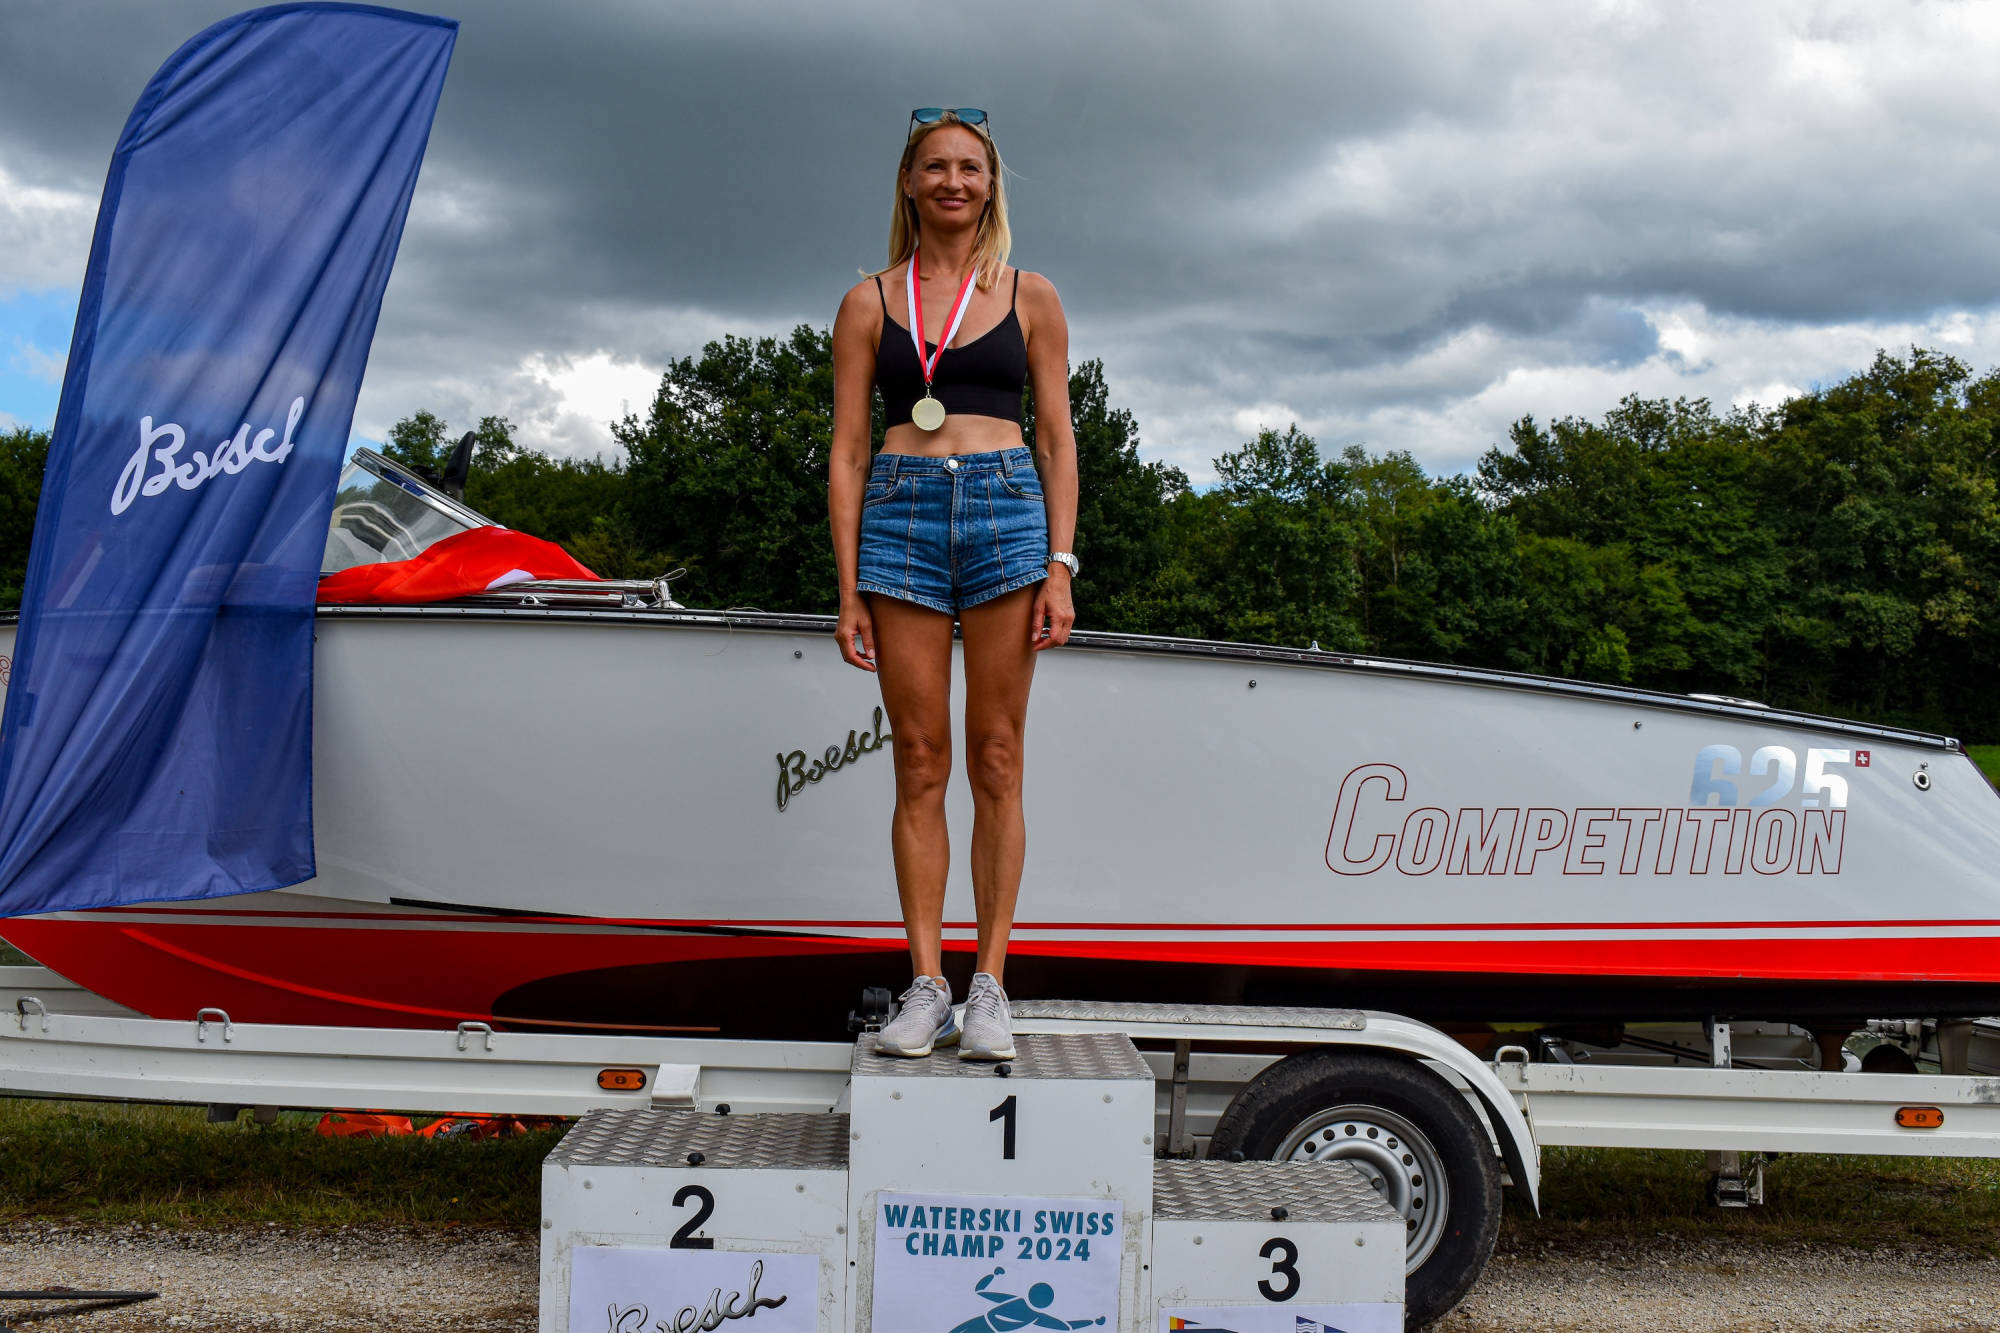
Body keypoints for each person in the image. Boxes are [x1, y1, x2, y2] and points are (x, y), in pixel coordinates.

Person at [828, 108, 1079, 1061]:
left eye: (969, 168)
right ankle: (927, 983)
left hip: (1007, 511)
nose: (953, 182)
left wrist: (1061, 565)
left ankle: (990, 987)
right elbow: (849, 450)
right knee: (920, 758)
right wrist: (848, 588)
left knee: (997, 757)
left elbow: (1056, 439)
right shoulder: (868, 302)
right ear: (908, 181)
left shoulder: (1031, 295)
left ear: (990, 184)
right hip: (901, 513)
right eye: (935, 166)